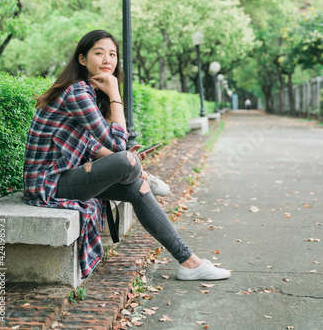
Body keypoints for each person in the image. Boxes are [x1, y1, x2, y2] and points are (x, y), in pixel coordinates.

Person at [23, 30, 231, 282]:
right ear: (82, 59)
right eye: (98, 53)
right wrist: (115, 94)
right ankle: (142, 173)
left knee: (137, 186)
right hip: (48, 185)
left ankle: (189, 262)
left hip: (64, 179)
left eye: (112, 54)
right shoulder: (77, 92)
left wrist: (125, 163)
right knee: (127, 161)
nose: (107, 60)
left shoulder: (85, 92)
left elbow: (92, 146)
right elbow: (119, 145)